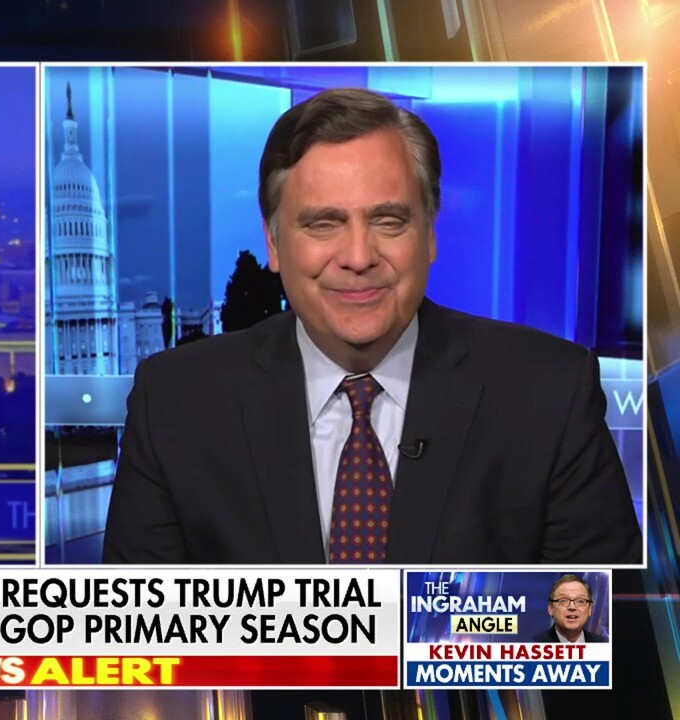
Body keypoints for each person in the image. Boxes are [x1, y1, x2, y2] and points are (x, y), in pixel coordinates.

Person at [103, 87, 641, 565]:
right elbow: (139, 637)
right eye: (323, 223)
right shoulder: (173, 403)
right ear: (273, 242)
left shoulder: (549, 392)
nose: (359, 257)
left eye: (389, 220)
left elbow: (600, 629)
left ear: (429, 234)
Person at [533, 574, 608, 643]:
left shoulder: (604, 644)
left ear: (590, 609)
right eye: (563, 601)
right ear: (551, 609)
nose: (572, 607)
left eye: (580, 601)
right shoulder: (534, 643)